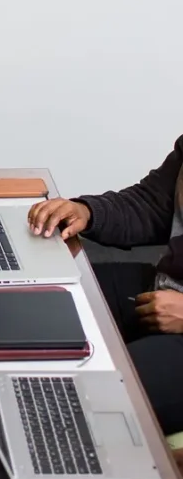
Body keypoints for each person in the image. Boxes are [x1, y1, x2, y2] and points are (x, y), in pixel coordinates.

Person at [28, 139, 183, 449]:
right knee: (33, 304)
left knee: (79, 403)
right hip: (162, 287)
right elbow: (153, 204)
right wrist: (87, 211)